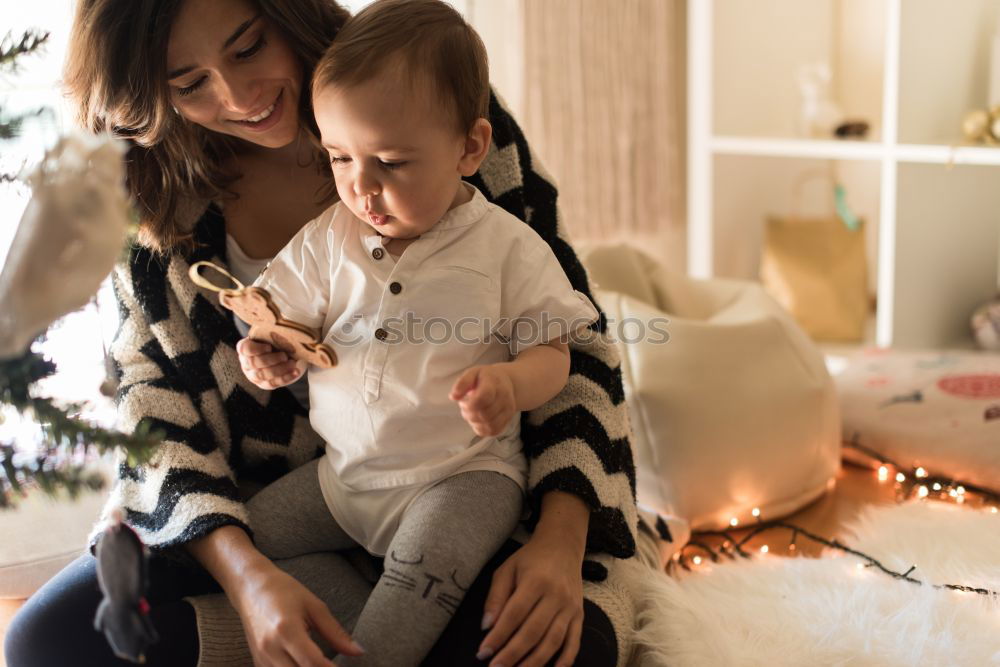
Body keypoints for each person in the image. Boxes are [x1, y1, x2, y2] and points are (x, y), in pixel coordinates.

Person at [4, 0, 644, 665]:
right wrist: (249, 579)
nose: (239, 96)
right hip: (298, 510)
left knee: (551, 644)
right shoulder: (149, 197)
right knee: (47, 639)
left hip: (477, 500)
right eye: (189, 83)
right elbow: (153, 413)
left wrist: (559, 540)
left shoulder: (427, 96)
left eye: (249, 47)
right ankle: (339, 624)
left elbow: (576, 346)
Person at [235, 2, 601, 663]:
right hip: (345, 477)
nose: (361, 187)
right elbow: (281, 318)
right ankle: (373, 627)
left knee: (421, 570)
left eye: (393, 163)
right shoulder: (329, 238)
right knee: (249, 536)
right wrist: (272, 349)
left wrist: (511, 383)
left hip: (462, 477)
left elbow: (556, 356)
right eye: (341, 157)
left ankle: (382, 640)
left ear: (470, 148)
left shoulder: (505, 246)